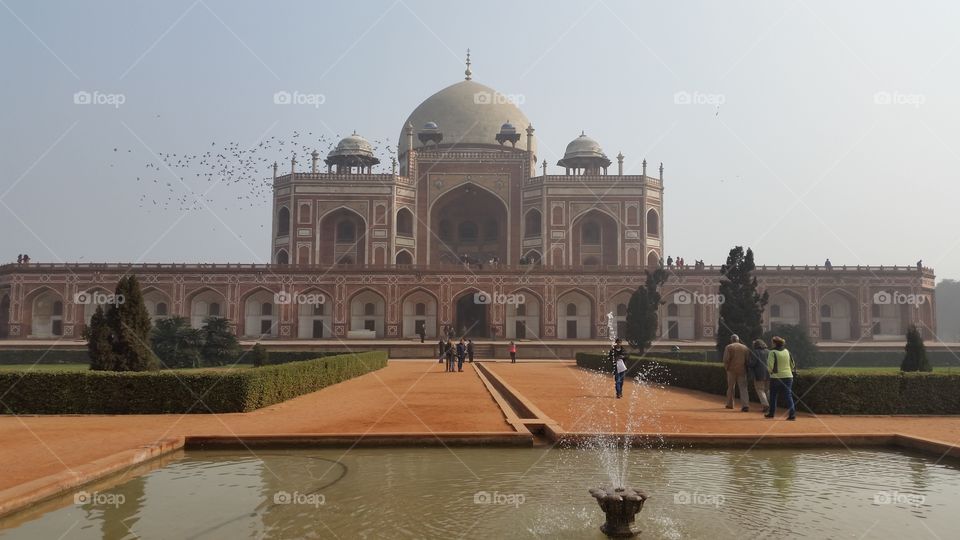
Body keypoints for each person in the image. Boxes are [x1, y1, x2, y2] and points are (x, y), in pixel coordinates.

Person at [765, 336, 796, 420]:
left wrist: (771, 372)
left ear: (774, 343)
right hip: (788, 376)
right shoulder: (787, 351)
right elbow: (792, 364)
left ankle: (771, 413)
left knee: (773, 396)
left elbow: (770, 365)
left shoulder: (772, 352)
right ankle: (792, 415)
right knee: (788, 395)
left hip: (776, 377)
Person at [722, 334, 751, 412]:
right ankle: (745, 405)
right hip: (742, 370)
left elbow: (726, 359)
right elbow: (748, 360)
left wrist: (726, 368)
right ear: (738, 340)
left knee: (731, 387)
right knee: (743, 388)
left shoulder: (729, 347)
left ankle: (730, 404)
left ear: (731, 340)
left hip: (731, 370)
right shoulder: (745, 348)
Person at [748, 339, 771, 413]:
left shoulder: (756, 352)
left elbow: (752, 363)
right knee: (767, 390)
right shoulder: (769, 352)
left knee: (760, 389)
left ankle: (765, 405)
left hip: (759, 374)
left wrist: (747, 363)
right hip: (769, 374)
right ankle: (770, 405)